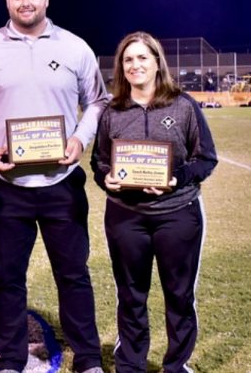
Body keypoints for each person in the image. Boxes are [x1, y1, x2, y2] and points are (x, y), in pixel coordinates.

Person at [0, 0, 108, 373]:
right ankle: (12, 360)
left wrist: (80, 139)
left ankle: (88, 359)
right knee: (8, 278)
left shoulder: (75, 47)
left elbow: (97, 102)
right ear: (7, 1)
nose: (26, 2)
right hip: (7, 185)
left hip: (61, 183)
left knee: (73, 274)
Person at [90, 31, 218, 373]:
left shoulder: (183, 105)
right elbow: (99, 162)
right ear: (121, 67)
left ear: (157, 61)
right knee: (131, 295)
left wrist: (178, 177)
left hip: (177, 215)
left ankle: (176, 365)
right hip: (126, 216)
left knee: (179, 295)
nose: (135, 65)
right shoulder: (112, 111)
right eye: (128, 59)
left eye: (142, 57)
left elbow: (206, 158)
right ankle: (130, 364)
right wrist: (107, 179)